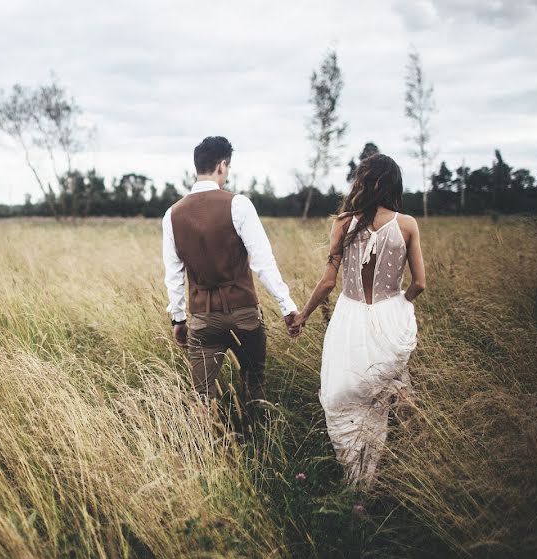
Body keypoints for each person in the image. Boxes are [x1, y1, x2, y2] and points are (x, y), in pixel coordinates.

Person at [292, 153, 426, 486]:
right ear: (394, 184)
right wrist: (399, 304)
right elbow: (420, 283)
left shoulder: (343, 223)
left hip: (349, 319)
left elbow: (327, 283)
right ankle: (386, 468)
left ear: (362, 181)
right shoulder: (407, 224)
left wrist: (303, 316)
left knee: (343, 394)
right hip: (388, 318)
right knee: (381, 395)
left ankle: (356, 474)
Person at [162, 136, 300, 437]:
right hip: (244, 316)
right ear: (222, 166)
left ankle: (206, 456)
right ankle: (257, 446)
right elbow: (263, 262)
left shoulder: (172, 214)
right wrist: (287, 306)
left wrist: (178, 319)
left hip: (202, 318)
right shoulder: (238, 204)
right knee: (254, 389)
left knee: (201, 397)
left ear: (197, 166)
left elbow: (173, 274)